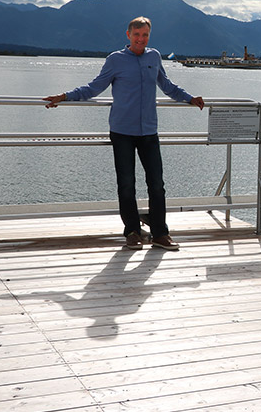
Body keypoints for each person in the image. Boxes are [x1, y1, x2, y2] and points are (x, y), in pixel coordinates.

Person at [43, 16, 204, 251]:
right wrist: (65, 96)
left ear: (149, 36)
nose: (141, 39)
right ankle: (132, 232)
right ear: (128, 35)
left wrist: (190, 98)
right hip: (122, 131)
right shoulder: (115, 60)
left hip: (149, 130)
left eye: (145, 35)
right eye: (137, 34)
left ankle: (160, 233)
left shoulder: (154, 56)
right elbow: (94, 87)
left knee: (157, 184)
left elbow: (167, 85)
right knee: (126, 183)